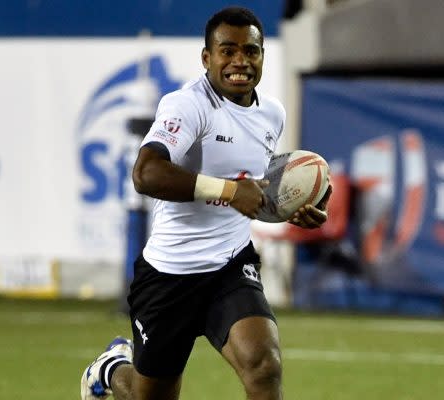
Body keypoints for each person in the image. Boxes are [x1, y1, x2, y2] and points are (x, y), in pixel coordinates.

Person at [80, 7, 331, 400]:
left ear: (263, 54)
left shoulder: (272, 113)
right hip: (169, 275)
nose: (240, 62)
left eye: (251, 51)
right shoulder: (187, 106)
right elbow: (146, 174)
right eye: (227, 50)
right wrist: (230, 191)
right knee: (149, 395)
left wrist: (292, 206)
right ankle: (111, 369)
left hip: (230, 267)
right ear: (207, 58)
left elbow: (257, 186)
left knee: (264, 368)